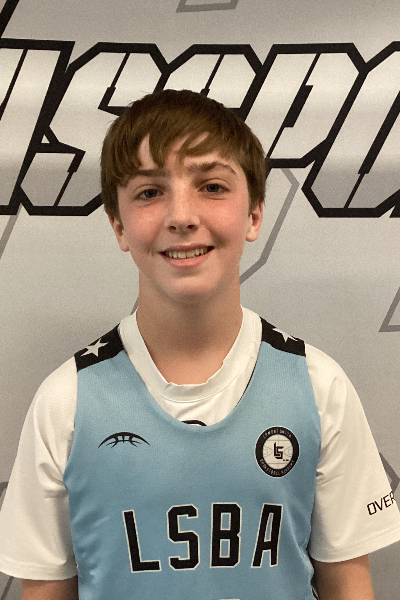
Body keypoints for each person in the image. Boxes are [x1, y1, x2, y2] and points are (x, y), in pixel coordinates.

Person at [0, 89, 399, 600]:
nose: (181, 216)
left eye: (212, 186)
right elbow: (44, 589)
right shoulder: (67, 401)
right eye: (150, 192)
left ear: (254, 213)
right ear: (118, 224)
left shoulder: (319, 387)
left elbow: (347, 581)